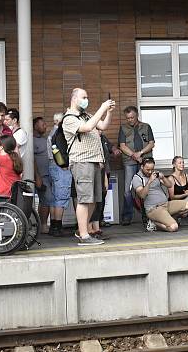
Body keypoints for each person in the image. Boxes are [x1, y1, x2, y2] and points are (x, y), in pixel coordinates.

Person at [63, 88, 115, 246]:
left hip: (95, 162)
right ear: (74, 99)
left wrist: (109, 112)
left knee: (93, 200)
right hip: (82, 162)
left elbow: (103, 126)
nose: (86, 100)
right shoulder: (69, 118)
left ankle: (82, 230)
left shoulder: (87, 115)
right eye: (83, 97)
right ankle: (84, 236)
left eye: (87, 96)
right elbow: (87, 128)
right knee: (84, 199)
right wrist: (102, 108)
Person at [133, 158, 188, 232]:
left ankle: (170, 218)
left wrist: (163, 177)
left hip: (166, 204)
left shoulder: (155, 174)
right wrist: (149, 181)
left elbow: (169, 185)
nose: (150, 172)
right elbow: (142, 195)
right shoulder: (137, 178)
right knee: (174, 227)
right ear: (142, 167)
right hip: (154, 209)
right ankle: (154, 224)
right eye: (147, 169)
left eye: (152, 169)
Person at [117, 106, 155, 226]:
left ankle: (148, 215)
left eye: (132, 117)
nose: (130, 120)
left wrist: (141, 153)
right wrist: (134, 155)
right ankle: (127, 216)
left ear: (137, 115)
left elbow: (151, 143)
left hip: (145, 162)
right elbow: (122, 146)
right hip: (129, 161)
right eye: (128, 118)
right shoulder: (123, 128)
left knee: (147, 188)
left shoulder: (146, 126)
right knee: (128, 190)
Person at [46, 112, 72, 237]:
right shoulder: (60, 134)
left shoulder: (51, 133)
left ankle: (53, 226)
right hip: (60, 167)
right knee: (61, 198)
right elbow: (60, 153)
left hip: (52, 166)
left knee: (54, 198)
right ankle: (58, 227)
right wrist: (65, 164)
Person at [160, 156, 188, 226]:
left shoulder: (186, 175)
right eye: (180, 163)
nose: (182, 164)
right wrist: (186, 194)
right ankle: (178, 217)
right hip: (174, 202)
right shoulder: (171, 178)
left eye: (183, 163)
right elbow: (172, 197)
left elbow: (186, 191)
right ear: (174, 165)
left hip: (185, 200)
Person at [33, 117, 51, 234]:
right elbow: (31, 160)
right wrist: (37, 176)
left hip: (46, 175)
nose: (45, 126)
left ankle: (43, 225)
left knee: (46, 200)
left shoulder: (45, 139)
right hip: (37, 176)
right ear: (35, 126)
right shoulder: (32, 140)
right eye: (42, 124)